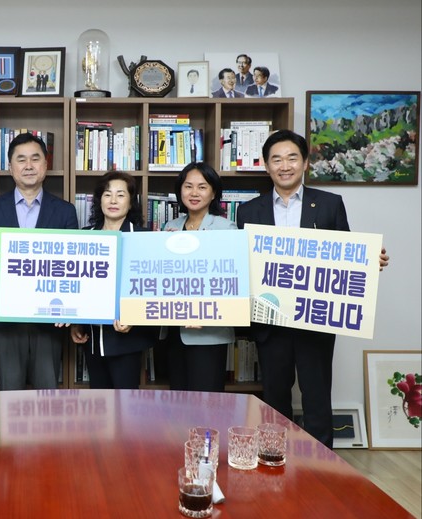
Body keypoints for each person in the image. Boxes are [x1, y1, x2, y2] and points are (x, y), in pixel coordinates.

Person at [236, 130, 390, 448]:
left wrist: (369, 261)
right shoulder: (249, 211)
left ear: (305, 162)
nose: (285, 166)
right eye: (277, 159)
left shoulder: (330, 204)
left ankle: (320, 466)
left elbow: (346, 255)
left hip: (315, 321)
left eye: (292, 158)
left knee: (317, 397)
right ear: (266, 165)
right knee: (274, 399)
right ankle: (273, 457)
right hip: (271, 321)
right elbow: (243, 264)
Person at [0, 132, 78, 390]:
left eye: (35, 159)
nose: (29, 165)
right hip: (5, 320)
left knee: (46, 396)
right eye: (21, 159)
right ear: (10, 167)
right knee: (9, 395)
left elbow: (74, 266)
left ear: (45, 165)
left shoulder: (65, 211)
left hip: (49, 318)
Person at [69, 171, 157, 389]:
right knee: (99, 402)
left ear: (131, 201)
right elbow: (76, 284)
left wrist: (136, 317)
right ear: (99, 201)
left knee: (125, 403)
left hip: (128, 338)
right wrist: (76, 322)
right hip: (92, 338)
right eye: (107, 195)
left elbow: (154, 288)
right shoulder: (84, 236)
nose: (113, 201)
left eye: (121, 195)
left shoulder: (145, 238)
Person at [161, 162, 237, 392]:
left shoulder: (226, 228)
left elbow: (231, 280)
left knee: (207, 403)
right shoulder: (170, 227)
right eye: (188, 186)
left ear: (213, 193)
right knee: (178, 402)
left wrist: (205, 313)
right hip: (174, 329)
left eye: (202, 187)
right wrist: (162, 246)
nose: (194, 193)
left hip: (209, 331)